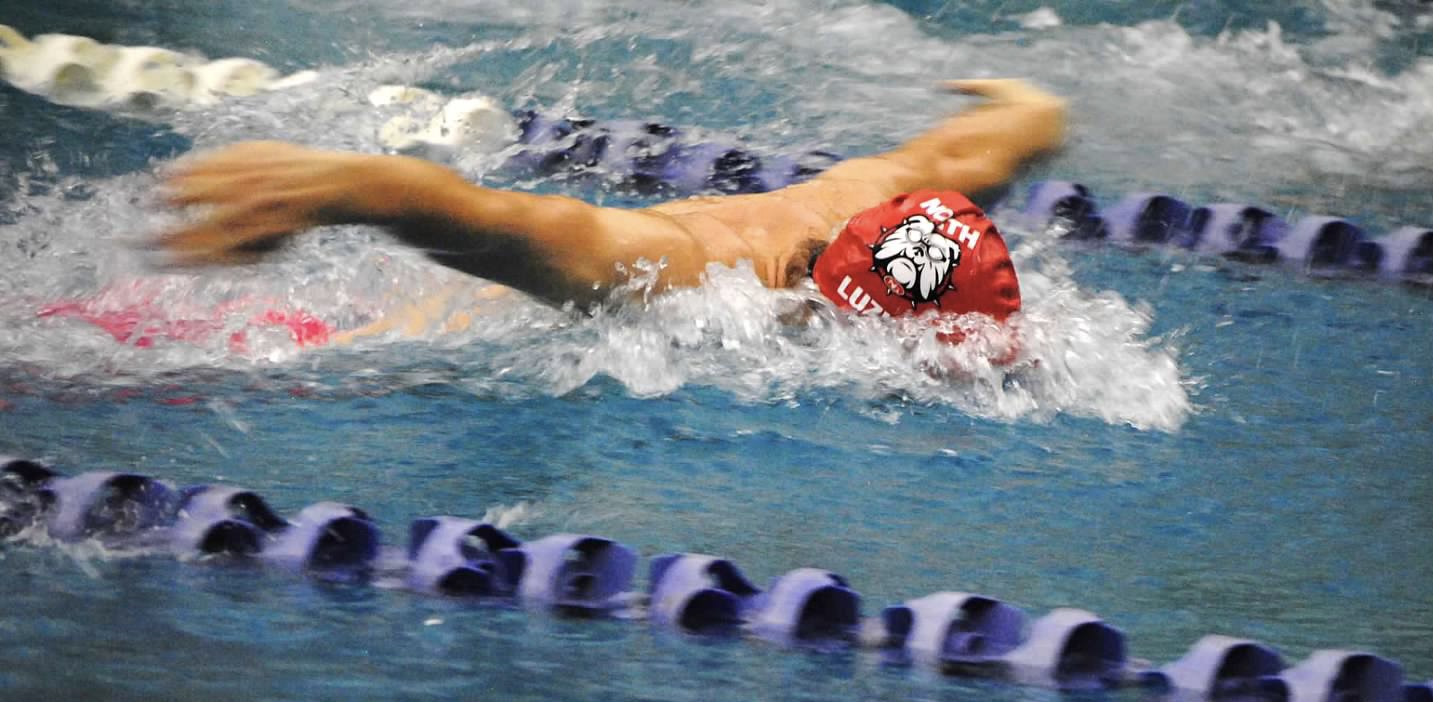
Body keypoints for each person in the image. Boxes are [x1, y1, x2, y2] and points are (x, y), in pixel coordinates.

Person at [154, 79, 1066, 337]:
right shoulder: (688, 274)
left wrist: (1032, 110)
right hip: (345, 345)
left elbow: (985, 142)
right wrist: (345, 189)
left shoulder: (881, 199)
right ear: (817, 296)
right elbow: (520, 227)